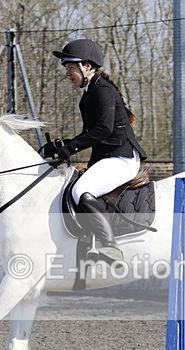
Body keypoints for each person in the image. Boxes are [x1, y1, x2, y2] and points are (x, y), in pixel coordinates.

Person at [45, 38, 147, 265]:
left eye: (71, 67)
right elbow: (92, 134)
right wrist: (63, 145)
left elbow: (103, 129)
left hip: (122, 158)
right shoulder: (91, 93)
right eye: (67, 68)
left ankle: (111, 248)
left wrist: (71, 147)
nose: (67, 73)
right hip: (108, 158)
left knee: (81, 190)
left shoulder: (102, 90)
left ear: (87, 66)